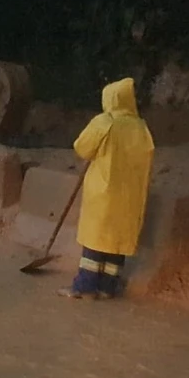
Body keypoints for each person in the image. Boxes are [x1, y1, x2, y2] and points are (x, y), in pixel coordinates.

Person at [59, 77, 154, 300]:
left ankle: (84, 286)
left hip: (104, 192)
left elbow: (82, 148)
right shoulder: (141, 127)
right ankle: (108, 287)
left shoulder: (105, 122)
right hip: (131, 194)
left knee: (96, 237)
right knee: (117, 239)